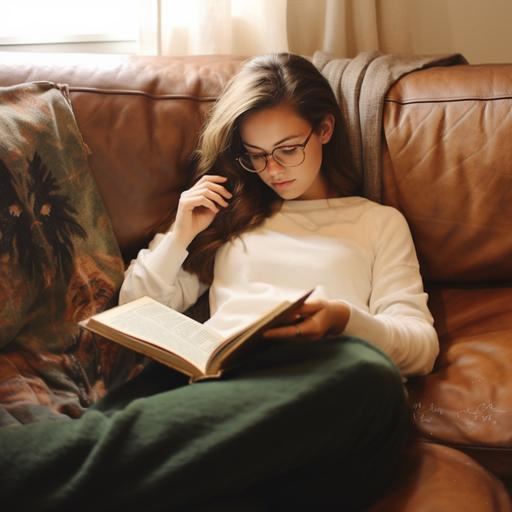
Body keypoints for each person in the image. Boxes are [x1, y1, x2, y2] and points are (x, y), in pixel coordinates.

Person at [0, 53, 438, 512]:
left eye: (289, 148)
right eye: (256, 156)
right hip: (223, 394)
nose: (274, 170)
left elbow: (420, 345)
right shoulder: (235, 218)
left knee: (369, 377)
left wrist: (344, 322)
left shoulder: (378, 223)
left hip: (324, 388)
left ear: (325, 129)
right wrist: (181, 233)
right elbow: (135, 306)